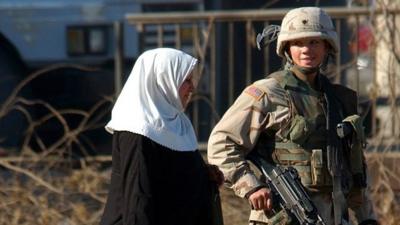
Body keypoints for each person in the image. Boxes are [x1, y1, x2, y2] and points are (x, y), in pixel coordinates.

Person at [207, 7, 378, 225]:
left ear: (327, 46)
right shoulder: (268, 92)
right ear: (287, 48)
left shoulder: (338, 99)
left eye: (314, 42)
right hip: (281, 217)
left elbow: (355, 168)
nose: (306, 49)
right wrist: (251, 186)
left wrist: (367, 218)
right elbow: (221, 143)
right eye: (298, 43)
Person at [100, 48, 223, 225]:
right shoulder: (138, 129)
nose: (192, 88)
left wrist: (205, 176)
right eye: (186, 80)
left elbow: (173, 177)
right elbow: (138, 200)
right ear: (163, 80)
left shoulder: (179, 124)